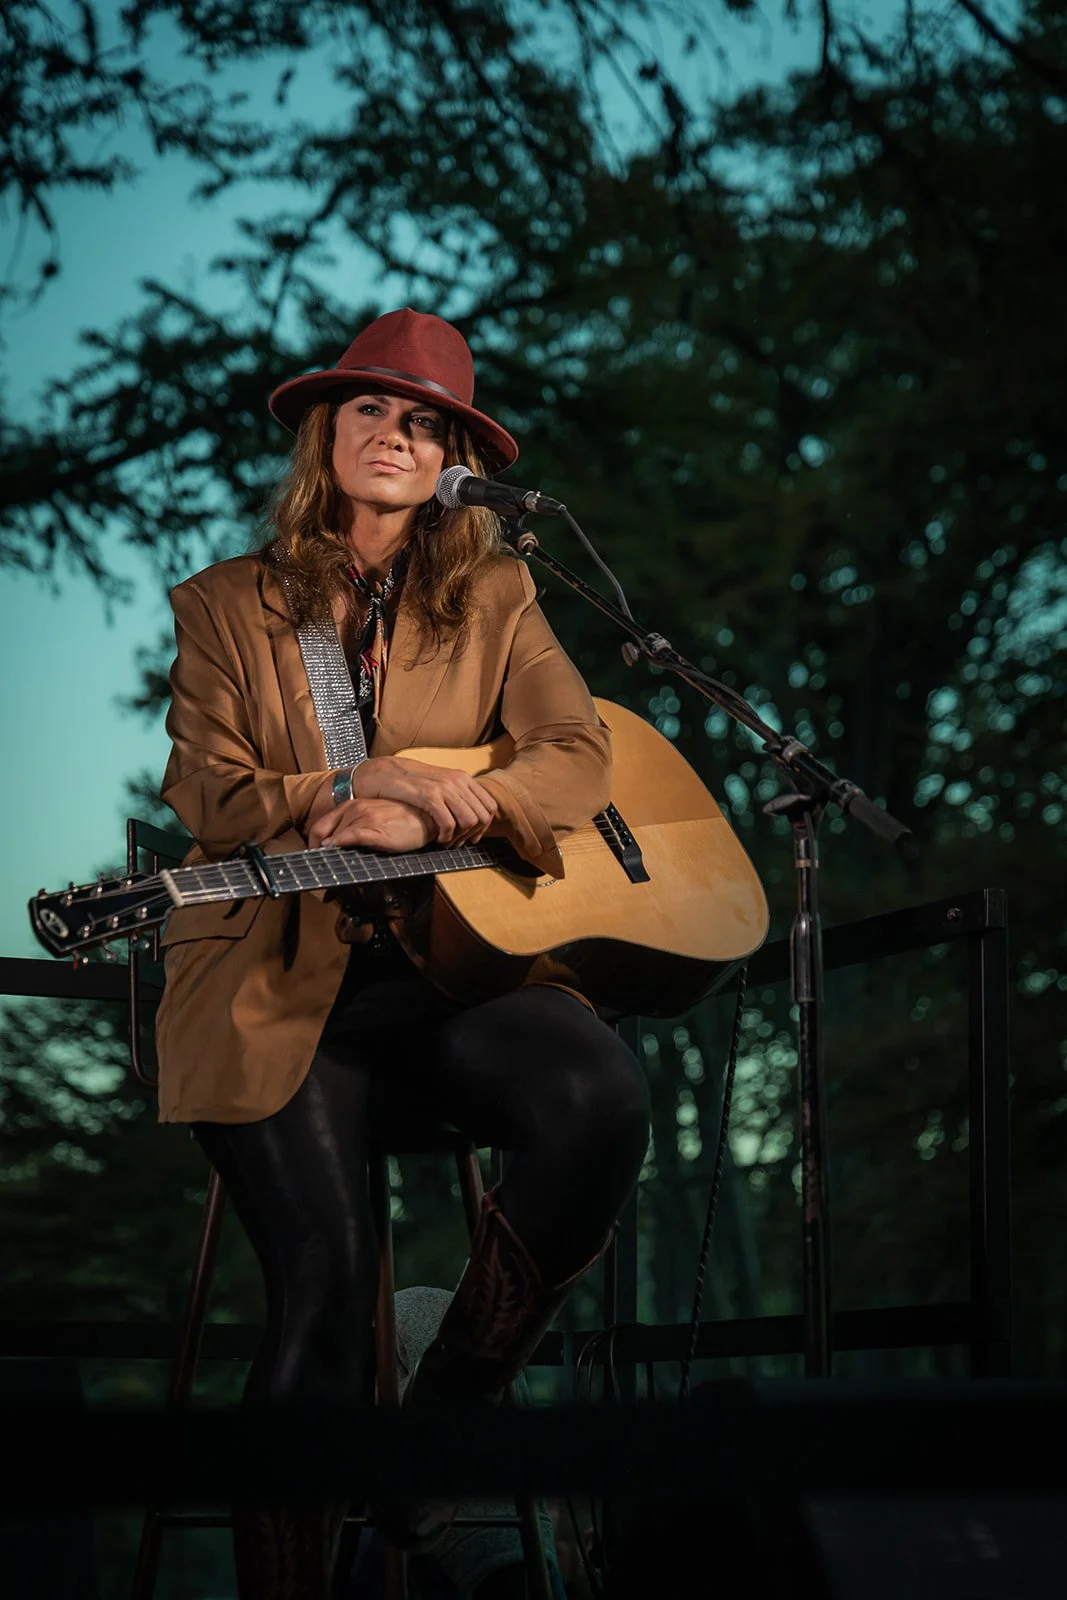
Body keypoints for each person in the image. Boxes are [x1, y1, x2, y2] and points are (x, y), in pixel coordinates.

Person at [154, 307, 651, 1597]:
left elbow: (576, 752)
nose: (395, 435)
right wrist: (349, 786)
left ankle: (438, 1433)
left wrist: (445, 808)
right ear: (327, 433)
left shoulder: (497, 594)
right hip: (274, 976)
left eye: (425, 423)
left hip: (444, 966)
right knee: (325, 1288)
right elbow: (208, 788)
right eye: (371, 408)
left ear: (452, 463)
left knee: (600, 1096)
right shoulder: (225, 603)